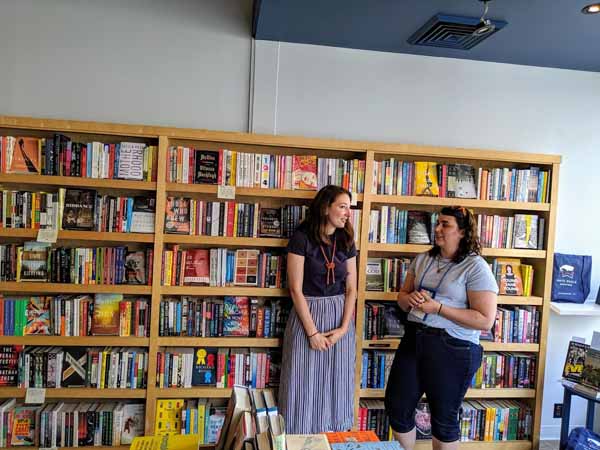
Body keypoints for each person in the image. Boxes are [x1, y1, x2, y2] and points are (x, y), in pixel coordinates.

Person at [385, 206, 498, 450]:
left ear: (463, 232)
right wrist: (409, 300)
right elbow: (402, 297)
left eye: (445, 224)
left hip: (453, 347)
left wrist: (438, 308)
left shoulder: (476, 267)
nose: (437, 229)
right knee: (397, 406)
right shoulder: (424, 258)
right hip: (415, 339)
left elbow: (485, 320)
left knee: (443, 419)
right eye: (437, 223)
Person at [279, 184, 357, 433]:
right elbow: (295, 289)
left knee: (337, 382)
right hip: (307, 316)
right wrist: (312, 333)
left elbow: (352, 288)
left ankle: (332, 437)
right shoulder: (301, 237)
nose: (347, 213)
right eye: (342, 207)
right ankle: (297, 438)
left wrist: (344, 328)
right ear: (325, 208)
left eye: (349, 207)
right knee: (302, 382)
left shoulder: (346, 239)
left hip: (340, 318)